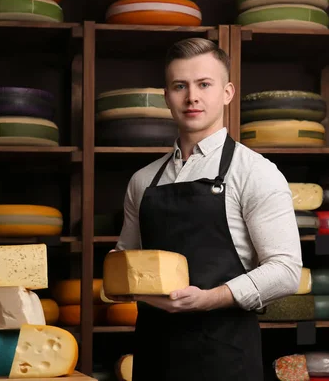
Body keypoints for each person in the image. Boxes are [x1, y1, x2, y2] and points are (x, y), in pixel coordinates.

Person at [110, 37, 303, 380]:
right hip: (154, 356)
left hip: (225, 358)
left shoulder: (255, 171)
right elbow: (125, 261)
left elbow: (287, 270)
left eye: (204, 84)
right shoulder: (143, 181)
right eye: (179, 86)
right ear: (166, 95)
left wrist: (210, 298)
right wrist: (129, 288)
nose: (192, 97)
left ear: (226, 93)